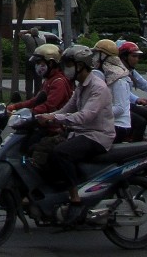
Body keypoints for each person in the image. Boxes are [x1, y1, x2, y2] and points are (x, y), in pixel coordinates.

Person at [35, 45, 115, 222]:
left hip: (97, 135)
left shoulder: (98, 88)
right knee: (43, 149)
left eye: (70, 64)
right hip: (81, 133)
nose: (67, 68)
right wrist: (45, 116)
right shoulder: (80, 87)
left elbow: (85, 116)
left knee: (61, 153)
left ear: (81, 65)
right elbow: (66, 108)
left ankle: (75, 199)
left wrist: (56, 119)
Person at [118, 41, 147, 141]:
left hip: (127, 105)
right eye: (134, 56)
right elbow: (122, 92)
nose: (137, 59)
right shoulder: (118, 72)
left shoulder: (130, 70)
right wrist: (137, 99)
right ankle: (136, 149)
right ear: (125, 57)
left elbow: (143, 83)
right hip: (120, 105)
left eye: (138, 56)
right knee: (140, 122)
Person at [92, 38, 132, 142]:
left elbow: (120, 108)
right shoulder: (107, 75)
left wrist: (96, 114)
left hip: (117, 126)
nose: (94, 58)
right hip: (107, 124)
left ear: (104, 56)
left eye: (97, 54)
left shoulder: (118, 79)